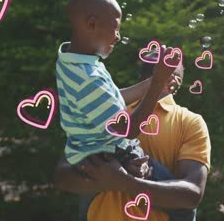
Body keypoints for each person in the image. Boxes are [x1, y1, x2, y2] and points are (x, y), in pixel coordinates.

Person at [55, 0, 185, 220]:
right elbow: (129, 130)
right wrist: (156, 86)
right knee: (184, 206)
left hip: (98, 153)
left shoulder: (74, 61)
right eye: (115, 27)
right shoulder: (88, 79)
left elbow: (113, 98)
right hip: (109, 156)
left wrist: (154, 81)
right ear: (92, 24)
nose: (118, 36)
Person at [54, 50, 211, 221]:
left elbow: (192, 195)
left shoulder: (190, 122)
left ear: (175, 81)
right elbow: (63, 175)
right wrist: (107, 177)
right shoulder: (108, 111)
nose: (161, 54)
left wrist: (122, 182)